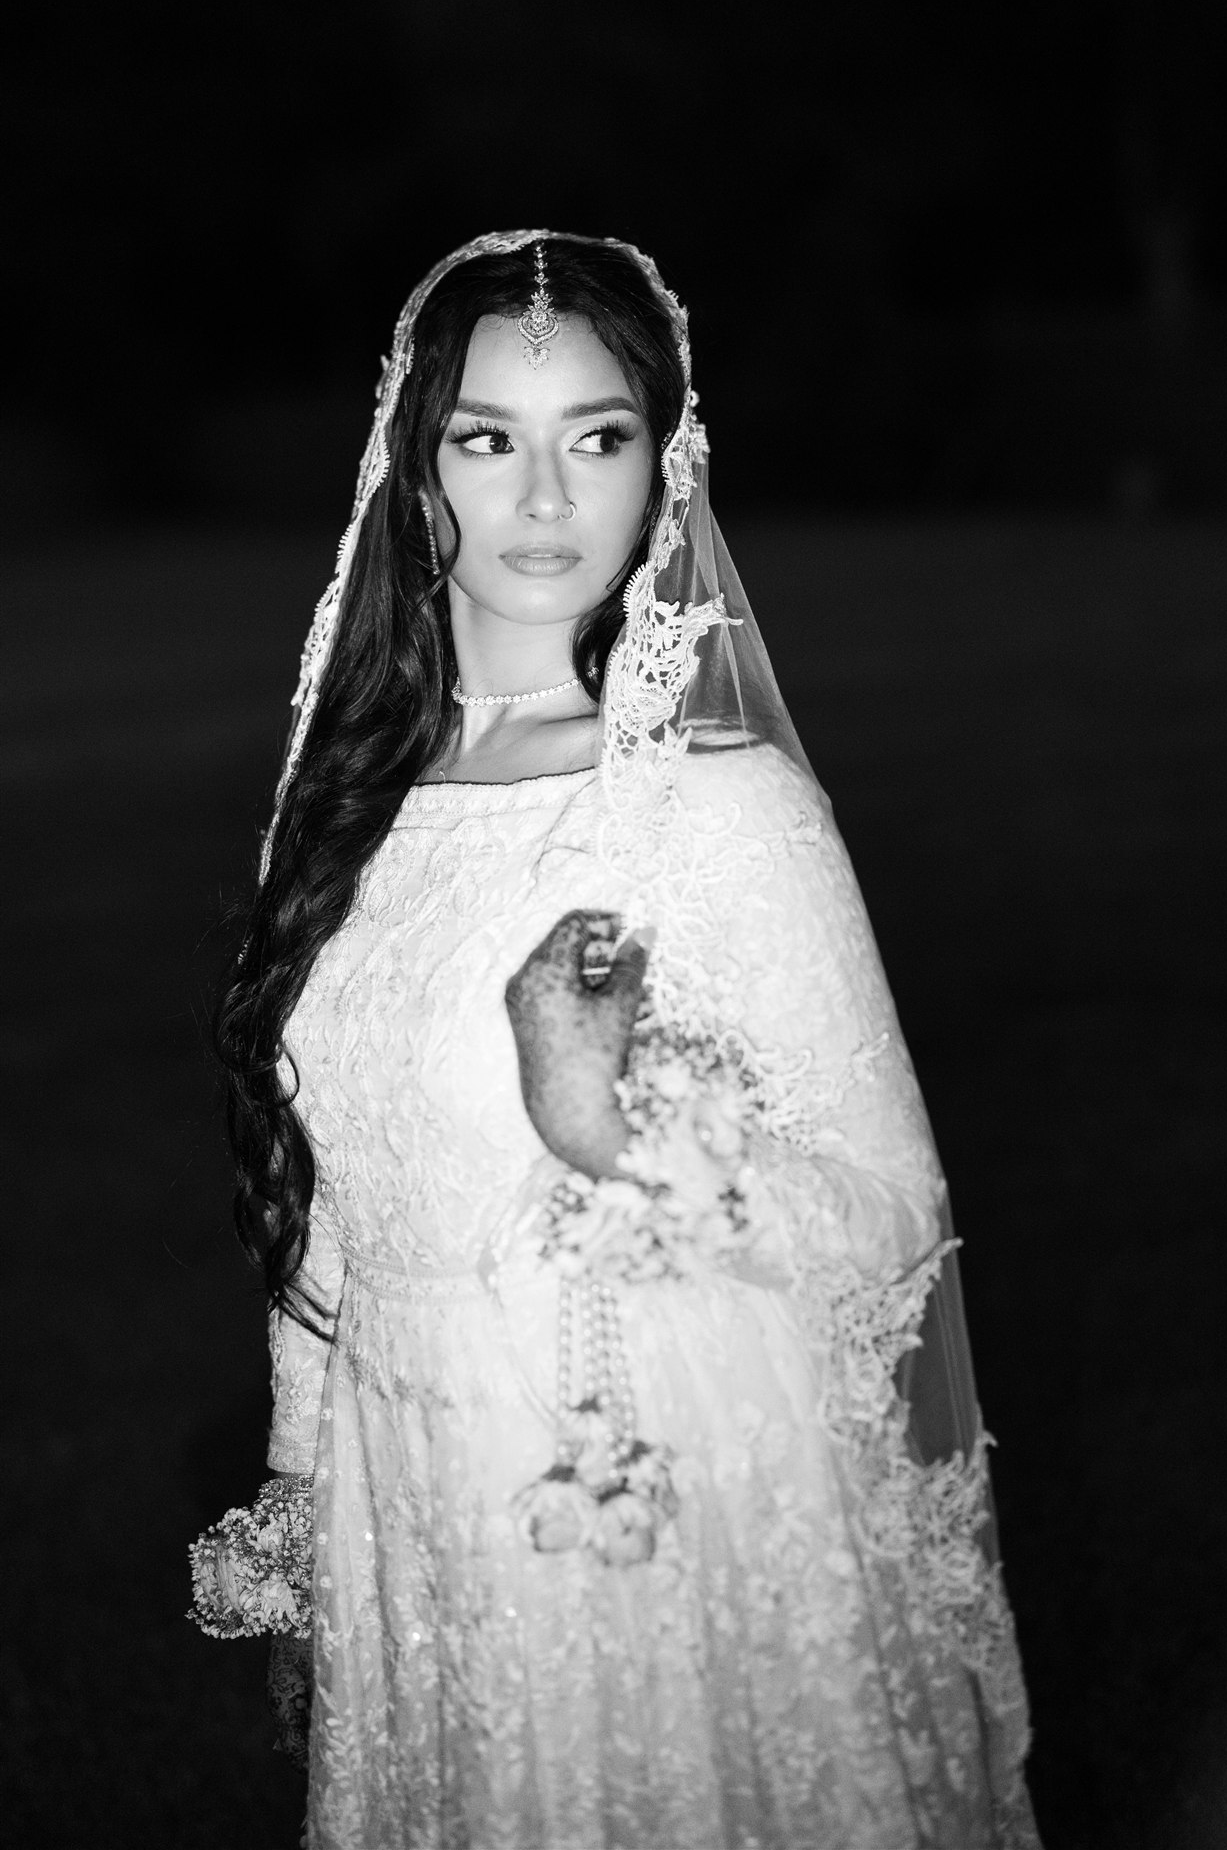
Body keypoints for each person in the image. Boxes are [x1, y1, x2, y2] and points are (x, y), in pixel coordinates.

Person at [216, 230, 1042, 1849]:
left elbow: (892, 1216)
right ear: (413, 474)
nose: (544, 497)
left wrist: (615, 1133)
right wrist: (303, 1500)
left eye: (596, 437)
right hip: (407, 1504)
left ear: (662, 465)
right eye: (486, 439)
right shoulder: (341, 811)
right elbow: (329, 1203)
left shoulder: (715, 808)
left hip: (646, 1506)